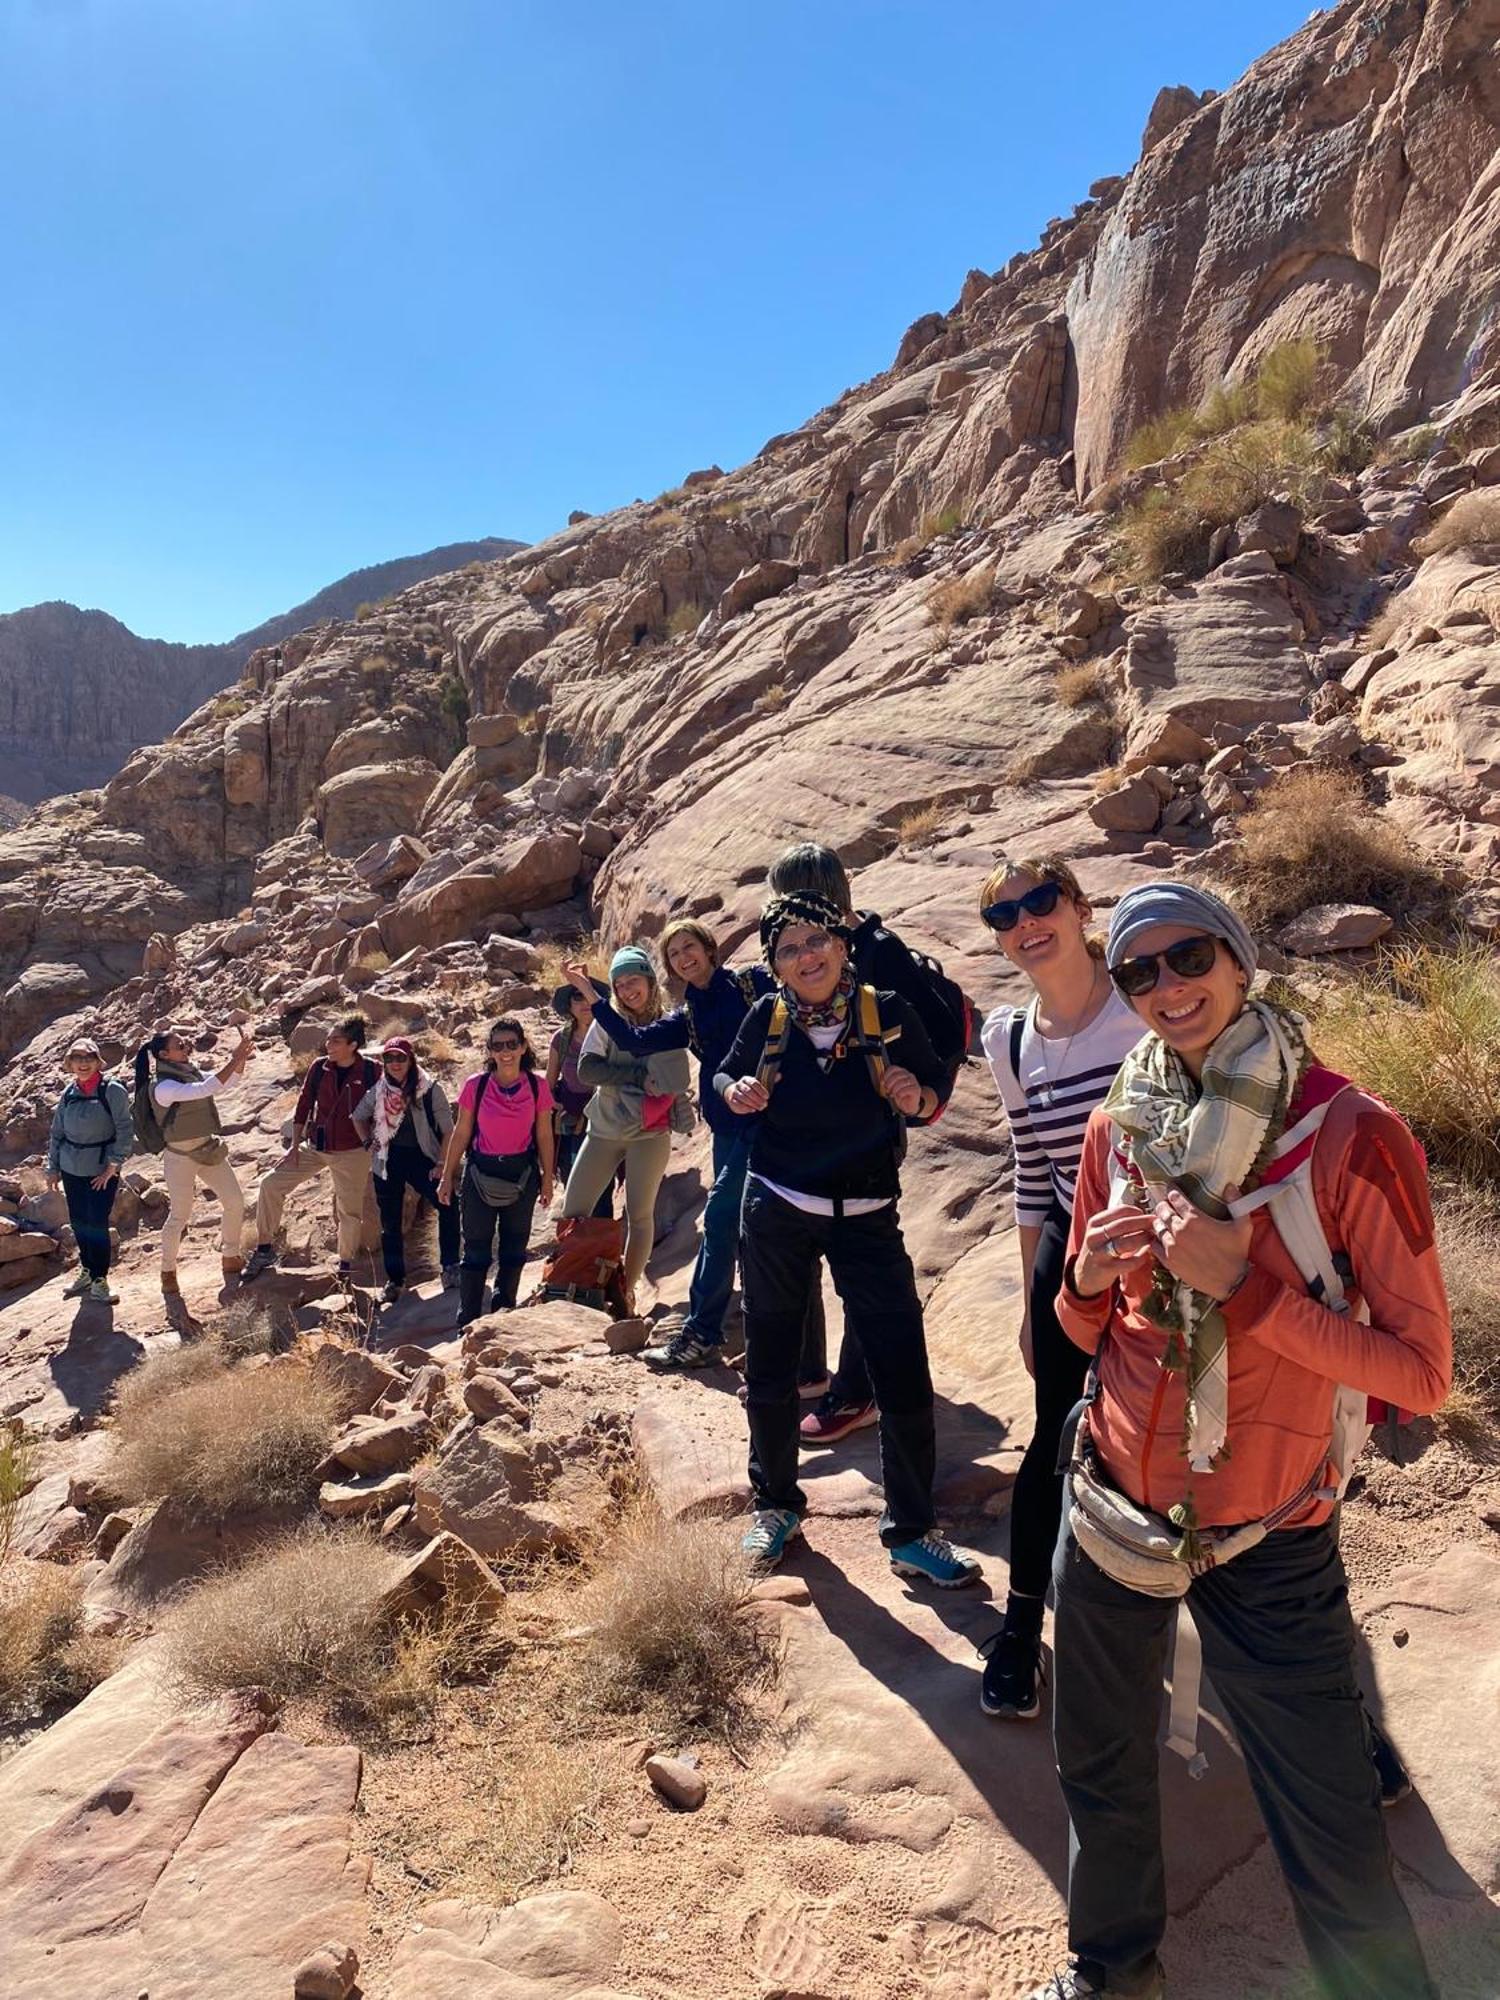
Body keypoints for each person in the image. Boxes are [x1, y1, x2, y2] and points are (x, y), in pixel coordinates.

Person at [1031, 881, 1449, 2000]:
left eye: (1189, 957)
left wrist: (1247, 1291)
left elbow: (1422, 1371)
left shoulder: (1350, 1133)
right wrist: (1088, 1275)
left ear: (1239, 957)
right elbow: (1076, 1326)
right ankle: (1112, 1970)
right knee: (1101, 1762)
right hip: (1113, 1500)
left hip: (1267, 1531)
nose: (1168, 987)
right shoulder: (1119, 1124)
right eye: (1140, 972)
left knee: (1328, 1815)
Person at [716, 889, 981, 1587]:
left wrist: (916, 1099)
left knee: (901, 1369)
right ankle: (775, 1506)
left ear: (841, 946)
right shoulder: (766, 1017)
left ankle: (913, 1531)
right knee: (772, 1367)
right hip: (777, 1206)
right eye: (788, 949)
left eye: (815, 942)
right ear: (775, 965)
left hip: (866, 1211)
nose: (806, 957)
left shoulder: (886, 1011)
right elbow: (723, 1075)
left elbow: (931, 1091)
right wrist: (736, 1089)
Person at [975, 855, 1144, 1721]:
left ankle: (1312, 1688)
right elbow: (1031, 1168)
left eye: (1041, 902)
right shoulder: (1008, 1039)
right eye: (1005, 916)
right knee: (1052, 1435)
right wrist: (1029, 1294)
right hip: (1073, 1254)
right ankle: (1019, 1628)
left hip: (1161, 1247)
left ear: (1079, 908)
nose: (1026, 923)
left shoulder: (1146, 1002)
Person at [765, 843, 961, 1440]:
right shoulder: (850, 946)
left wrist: (914, 1093)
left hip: (872, 1135)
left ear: (814, 894)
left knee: (863, 1267)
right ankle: (815, 1377)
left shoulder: (873, 953)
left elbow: (924, 1046)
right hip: (828, 1134)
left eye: (786, 895)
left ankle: (859, 1392)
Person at [563, 919, 774, 1369]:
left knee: (731, 1223)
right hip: (725, 1127)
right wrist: (591, 993)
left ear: (709, 948)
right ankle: (713, 1331)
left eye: (689, 947)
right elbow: (628, 1042)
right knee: (730, 1225)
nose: (684, 957)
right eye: (675, 953)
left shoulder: (749, 983)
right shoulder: (687, 1015)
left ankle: (708, 1332)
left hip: (767, 1122)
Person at [560, 946, 694, 1316]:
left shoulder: (668, 1023)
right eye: (619, 984)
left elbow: (675, 1076)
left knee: (640, 1215)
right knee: (574, 1209)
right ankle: (571, 1282)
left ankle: (625, 1292)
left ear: (650, 980)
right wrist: (636, 1075)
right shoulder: (608, 1021)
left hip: (650, 1134)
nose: (626, 990)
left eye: (633, 980)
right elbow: (587, 1070)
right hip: (604, 1129)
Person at [439, 1016, 556, 1325]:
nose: (505, 1052)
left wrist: (547, 1178)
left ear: (523, 1047)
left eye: (512, 1045)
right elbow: (461, 1133)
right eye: (498, 1046)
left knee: (514, 1247)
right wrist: (448, 1177)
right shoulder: (475, 1086)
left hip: (523, 1173)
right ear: (489, 1051)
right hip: (480, 1172)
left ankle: (502, 1315)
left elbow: (544, 1134)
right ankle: (468, 1320)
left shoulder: (536, 1085)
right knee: (476, 1250)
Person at [244, 1016, 379, 1280]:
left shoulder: (372, 1071)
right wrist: (294, 1145)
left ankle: (345, 1265)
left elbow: (386, 1107)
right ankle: (264, 1249)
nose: (328, 1044)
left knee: (349, 1211)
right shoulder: (319, 1068)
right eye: (328, 1039)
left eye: (336, 1041)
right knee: (271, 1184)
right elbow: (304, 1105)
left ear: (353, 1045)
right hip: (316, 1146)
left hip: (352, 1152)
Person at [137, 1022, 254, 1304]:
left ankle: (230, 1255)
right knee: (180, 1216)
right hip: (179, 1158)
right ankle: (168, 1271)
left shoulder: (188, 1073)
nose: (187, 1047)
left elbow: (225, 1083)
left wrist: (240, 1062)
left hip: (207, 1149)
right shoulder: (162, 1086)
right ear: (164, 1056)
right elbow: (205, 1088)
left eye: (186, 1043)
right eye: (180, 1046)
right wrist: (235, 1058)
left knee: (235, 1202)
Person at [353, 1036, 459, 1305]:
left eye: (401, 1058)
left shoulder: (429, 1088)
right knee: (390, 1222)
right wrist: (368, 1141)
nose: (395, 1063)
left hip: (423, 1158)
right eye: (389, 1058)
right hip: (388, 1159)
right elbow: (357, 1116)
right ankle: (395, 1281)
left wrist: (441, 1165)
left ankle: (450, 1267)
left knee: (448, 1204)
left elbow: (449, 1131)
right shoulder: (380, 1089)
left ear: (411, 1059)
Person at [46, 1037, 133, 1305]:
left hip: (101, 1170)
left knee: (96, 1223)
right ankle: (87, 1270)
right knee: (79, 1222)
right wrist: (53, 1167)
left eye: (88, 1058)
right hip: (72, 1169)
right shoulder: (69, 1093)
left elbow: (125, 1129)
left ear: (98, 1061)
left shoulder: (112, 1090)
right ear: (69, 1063)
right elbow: (57, 1132)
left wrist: (114, 1165)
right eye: (77, 1058)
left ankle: (100, 1279)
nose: (83, 1063)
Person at [546, 980, 614, 1220]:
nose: (585, 1003)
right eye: (578, 997)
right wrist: (553, 1107)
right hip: (570, 1119)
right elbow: (549, 1083)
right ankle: (577, 1242)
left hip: (603, 1114)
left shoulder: (611, 1033)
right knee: (571, 1175)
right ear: (569, 1005)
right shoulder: (561, 1039)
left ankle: (602, 1242)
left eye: (589, 996)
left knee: (603, 1180)